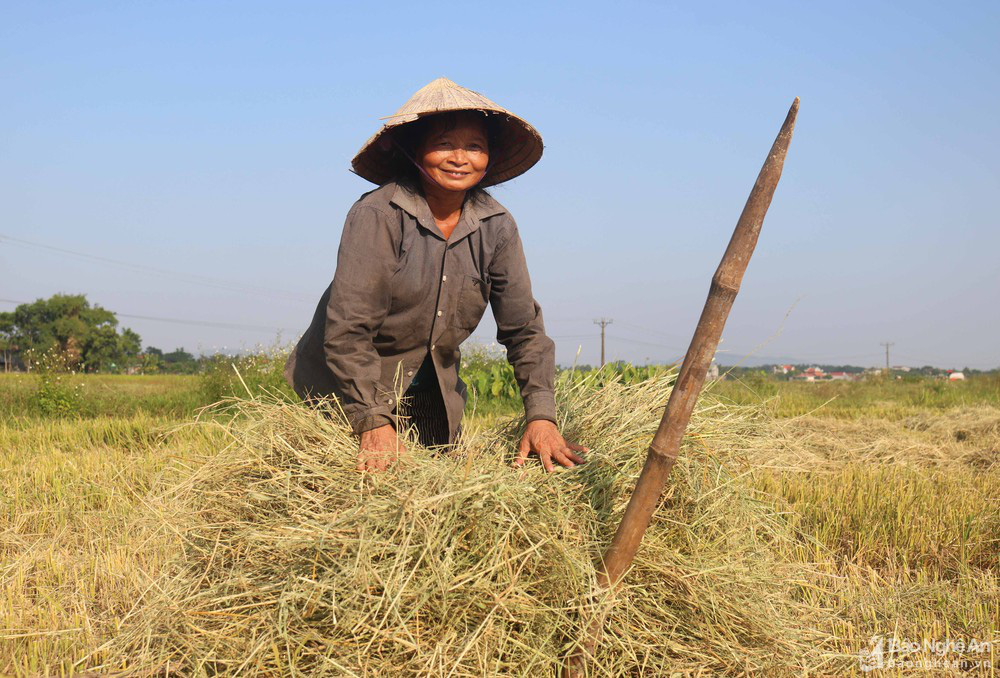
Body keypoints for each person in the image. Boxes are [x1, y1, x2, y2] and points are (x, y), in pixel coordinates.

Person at [285, 77, 587, 473]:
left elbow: (524, 331)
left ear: (489, 157)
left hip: (432, 391)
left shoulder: (497, 227)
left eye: (475, 147)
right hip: (348, 391)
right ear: (414, 150)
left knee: (439, 501)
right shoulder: (379, 215)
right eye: (444, 144)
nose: (460, 158)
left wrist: (542, 416)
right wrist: (372, 422)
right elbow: (348, 330)